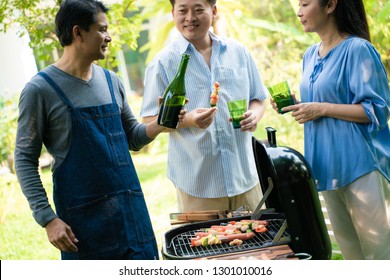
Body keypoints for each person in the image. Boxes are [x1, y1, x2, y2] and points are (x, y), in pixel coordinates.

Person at [14, 0, 184, 260]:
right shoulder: (40, 90)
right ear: (77, 32)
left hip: (132, 218)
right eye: (102, 29)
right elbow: (25, 160)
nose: (109, 37)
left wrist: (161, 123)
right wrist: (47, 219)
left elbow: (133, 138)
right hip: (84, 228)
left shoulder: (111, 80)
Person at [271, 0, 390, 259]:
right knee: (352, 256)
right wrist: (298, 106)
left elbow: (377, 111)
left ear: (331, 5)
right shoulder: (310, 55)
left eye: (305, 3)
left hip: (362, 166)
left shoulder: (358, 49)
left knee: (379, 256)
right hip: (326, 167)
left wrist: (322, 108)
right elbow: (323, 103)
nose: (299, 12)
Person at [140, 0, 268, 213]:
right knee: (207, 245)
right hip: (197, 184)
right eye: (183, 11)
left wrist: (254, 116)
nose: (190, 18)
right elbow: (148, 120)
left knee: (256, 242)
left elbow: (258, 99)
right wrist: (187, 120)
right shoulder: (163, 63)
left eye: (198, 10)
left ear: (214, 11)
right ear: (173, 13)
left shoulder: (238, 52)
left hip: (244, 176)